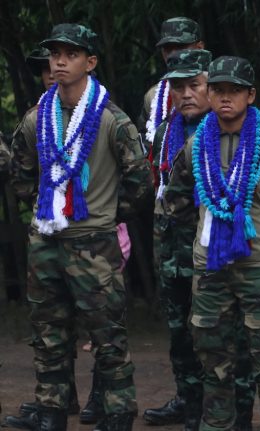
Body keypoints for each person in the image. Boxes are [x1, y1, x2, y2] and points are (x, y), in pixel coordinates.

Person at [6, 23, 152, 430]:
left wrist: (106, 212)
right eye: (55, 54)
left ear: (90, 62)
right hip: (47, 241)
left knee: (108, 338)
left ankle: (118, 413)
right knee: (48, 337)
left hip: (94, 245)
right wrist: (45, 206)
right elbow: (21, 175)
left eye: (70, 54)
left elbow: (140, 182)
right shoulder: (37, 118)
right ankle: (51, 412)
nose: (59, 61)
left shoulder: (112, 119)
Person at [165, 55, 260, 431]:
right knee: (214, 365)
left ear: (250, 95)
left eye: (234, 90)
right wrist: (207, 233)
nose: (225, 98)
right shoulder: (197, 143)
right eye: (217, 90)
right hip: (211, 270)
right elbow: (175, 199)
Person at [144, 48, 212, 430]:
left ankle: (219, 408)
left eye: (194, 85)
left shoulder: (229, 128)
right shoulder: (164, 132)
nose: (186, 94)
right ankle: (189, 402)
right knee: (178, 331)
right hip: (171, 246)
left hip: (214, 246)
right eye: (178, 87)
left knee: (214, 333)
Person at [140, 17, 204, 148]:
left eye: (181, 47)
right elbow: (144, 147)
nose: (174, 55)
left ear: (200, 47)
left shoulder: (220, 88)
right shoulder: (153, 97)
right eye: (168, 49)